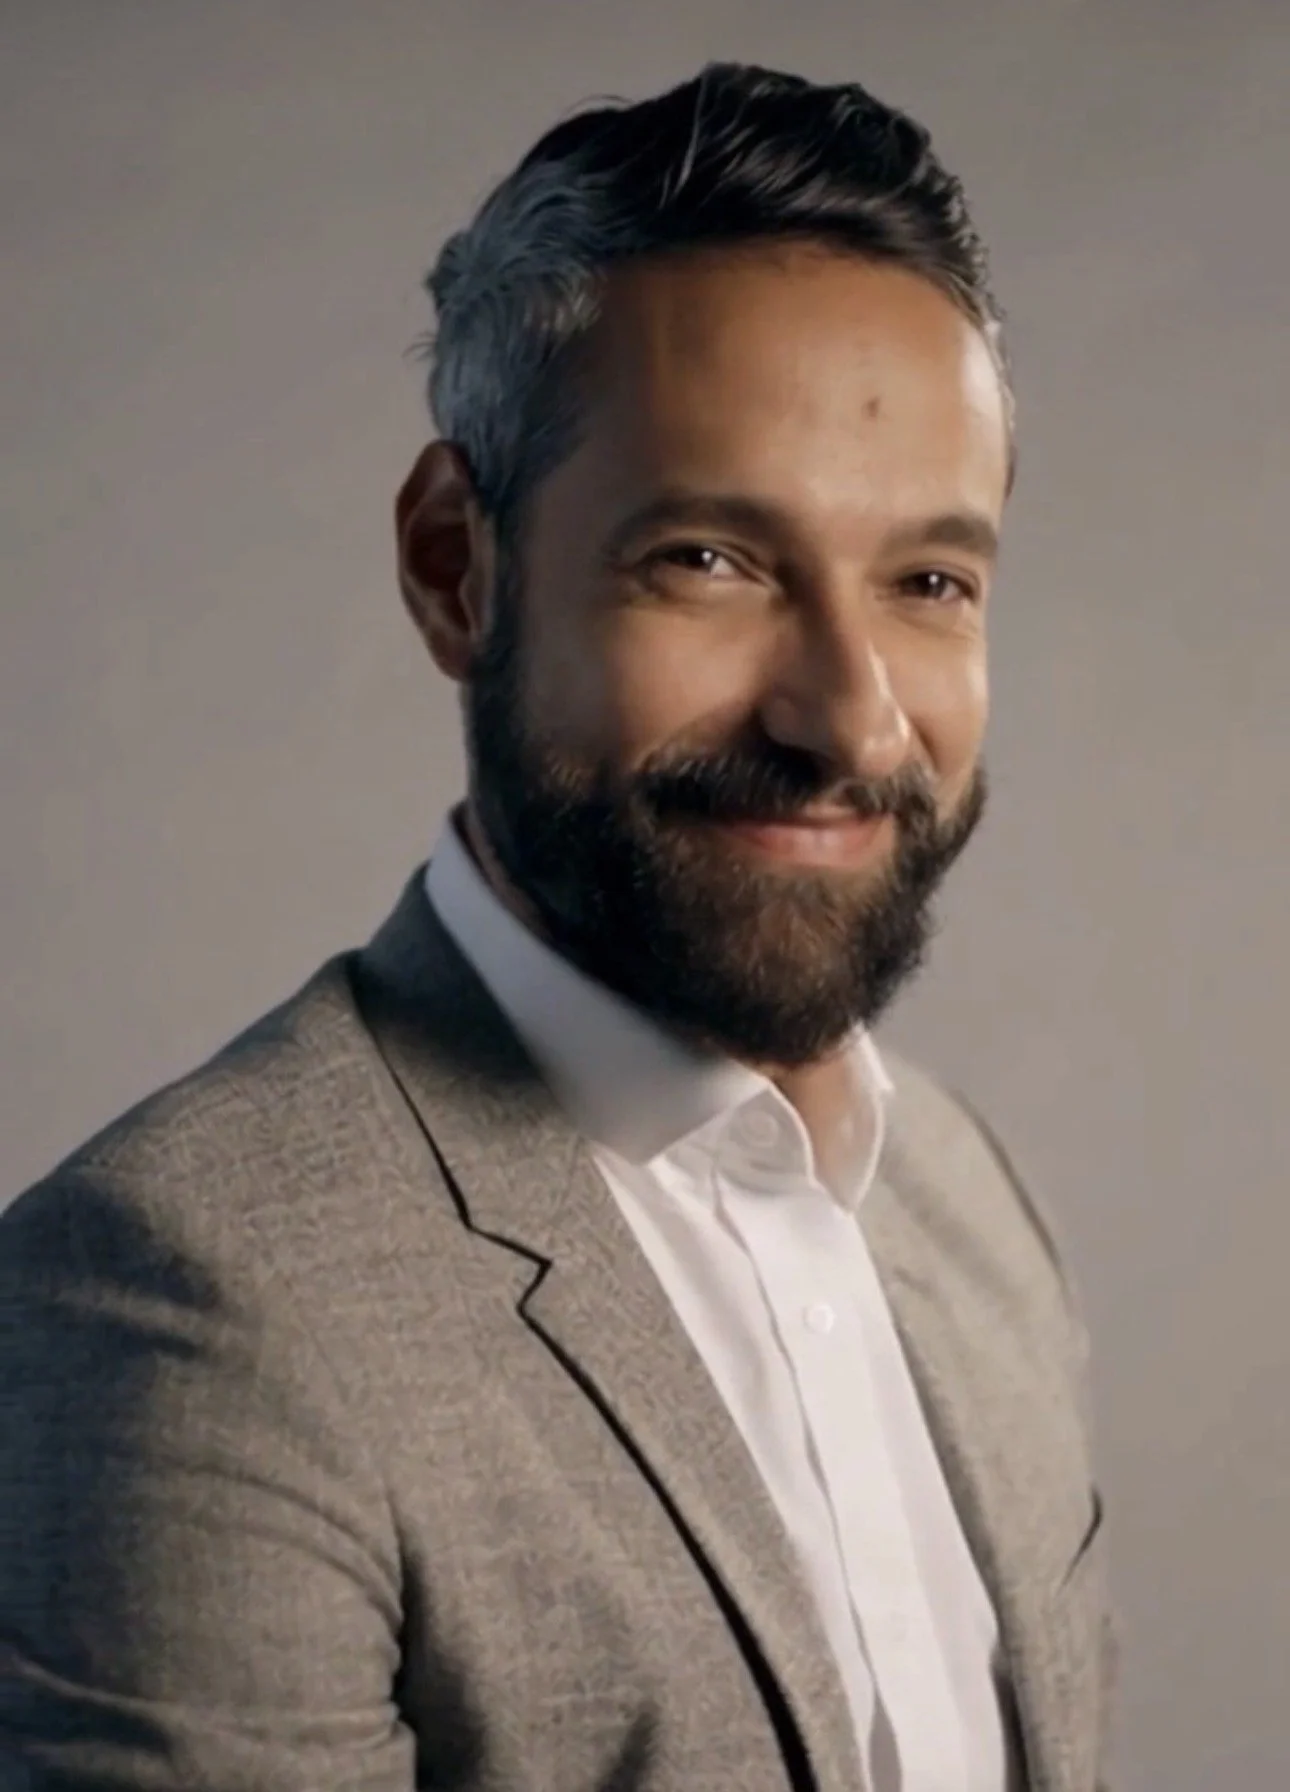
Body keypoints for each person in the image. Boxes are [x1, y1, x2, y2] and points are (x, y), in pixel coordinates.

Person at [0, 61, 1117, 1792]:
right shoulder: (185, 1316)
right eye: (708, 560)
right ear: (458, 565)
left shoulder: (975, 1214)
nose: (851, 718)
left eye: (928, 582)